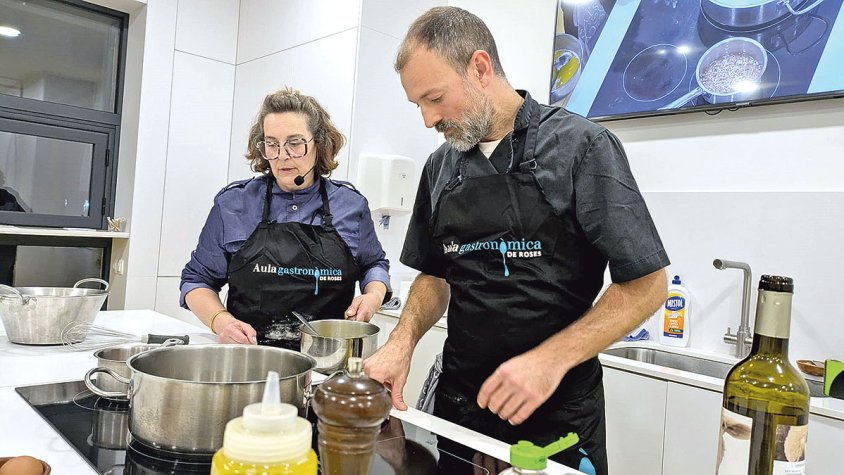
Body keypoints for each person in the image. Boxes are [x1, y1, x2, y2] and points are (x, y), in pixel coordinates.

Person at [363, 7, 669, 474]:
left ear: (480, 68)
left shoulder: (582, 147)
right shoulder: (440, 167)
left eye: (435, 98)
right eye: (417, 105)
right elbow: (434, 276)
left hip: (557, 422)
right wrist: (402, 341)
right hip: (460, 412)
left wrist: (548, 361)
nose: (427, 119)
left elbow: (647, 285)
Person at [180, 87, 391, 348]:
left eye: (295, 143)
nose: (281, 156)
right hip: (250, 357)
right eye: (272, 144)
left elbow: (374, 264)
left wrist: (373, 296)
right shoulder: (234, 204)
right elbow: (196, 281)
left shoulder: (351, 205)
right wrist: (222, 322)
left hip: (327, 360)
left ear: (319, 143)